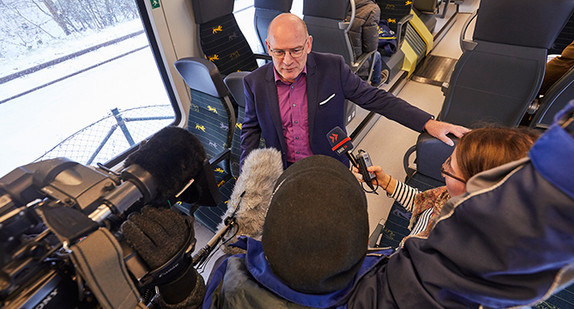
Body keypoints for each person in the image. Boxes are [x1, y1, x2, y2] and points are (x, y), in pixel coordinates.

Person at [240, 13, 469, 169]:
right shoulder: (254, 82)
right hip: (284, 171)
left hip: (329, 166)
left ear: (309, 44)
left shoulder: (333, 68)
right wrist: (246, 177)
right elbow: (250, 132)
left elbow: (376, 99)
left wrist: (427, 122)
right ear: (268, 47)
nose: (287, 61)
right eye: (279, 52)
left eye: (296, 50)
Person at [354, 126, 538, 243]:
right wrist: (386, 182)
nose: (443, 167)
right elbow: (423, 203)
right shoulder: (451, 198)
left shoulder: (447, 251)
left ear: (475, 188)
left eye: (449, 167)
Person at [346, 0, 384, 87]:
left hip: (333, 56)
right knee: (377, 55)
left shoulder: (338, 5)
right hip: (354, 61)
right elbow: (371, 48)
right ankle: (376, 83)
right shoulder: (372, 9)